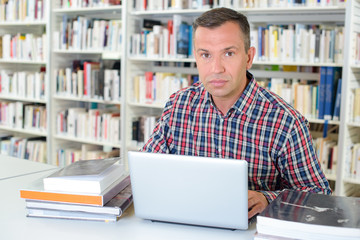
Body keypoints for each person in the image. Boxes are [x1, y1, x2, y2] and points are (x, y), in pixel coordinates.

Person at [142, 7, 332, 219]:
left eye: (228, 53)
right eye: (205, 55)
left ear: (249, 57)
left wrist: (267, 199)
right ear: (195, 57)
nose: (216, 68)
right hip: (184, 222)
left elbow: (318, 196)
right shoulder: (178, 105)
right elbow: (148, 170)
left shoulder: (285, 122)